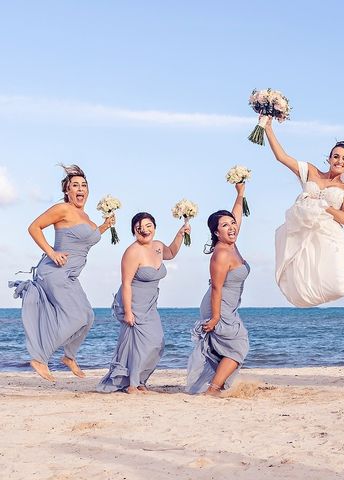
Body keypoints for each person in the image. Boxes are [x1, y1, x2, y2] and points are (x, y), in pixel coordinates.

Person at [9, 164, 115, 381]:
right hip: (55, 271)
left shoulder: (85, 216)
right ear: (67, 191)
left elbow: (87, 240)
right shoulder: (63, 209)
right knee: (75, 317)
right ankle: (40, 358)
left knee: (88, 316)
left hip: (71, 275)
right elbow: (33, 227)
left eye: (84, 185)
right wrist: (52, 253)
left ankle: (69, 357)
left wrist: (105, 226)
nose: (80, 188)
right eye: (75, 185)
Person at [263, 116, 344, 307]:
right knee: (300, 286)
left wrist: (323, 205)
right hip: (305, 232)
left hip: (331, 236)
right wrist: (267, 128)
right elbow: (281, 157)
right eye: (336, 156)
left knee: (339, 286)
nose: (339, 161)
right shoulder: (311, 172)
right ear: (329, 158)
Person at [97, 213, 189, 394]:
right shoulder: (132, 252)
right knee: (138, 345)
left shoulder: (158, 246)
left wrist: (181, 233)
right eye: (139, 227)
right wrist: (129, 312)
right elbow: (126, 284)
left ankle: (140, 381)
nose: (144, 230)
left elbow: (170, 253)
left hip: (150, 304)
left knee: (157, 343)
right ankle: (132, 385)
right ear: (133, 230)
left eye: (148, 225)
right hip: (133, 303)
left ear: (154, 227)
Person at [185, 183, 250, 396]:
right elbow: (216, 287)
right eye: (225, 225)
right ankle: (213, 389)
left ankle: (216, 385)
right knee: (238, 345)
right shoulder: (221, 254)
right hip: (218, 305)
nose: (232, 227)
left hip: (228, 306)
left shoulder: (233, 244)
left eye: (232, 224)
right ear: (216, 232)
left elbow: (237, 216)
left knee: (230, 347)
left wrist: (240, 194)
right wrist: (214, 318)